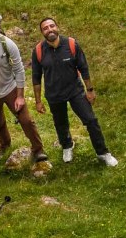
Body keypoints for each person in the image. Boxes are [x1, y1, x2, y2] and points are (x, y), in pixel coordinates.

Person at [31, 16, 116, 166]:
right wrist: (38, 101)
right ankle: (67, 146)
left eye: (52, 26)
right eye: (45, 28)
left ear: (57, 27)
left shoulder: (71, 44)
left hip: (75, 91)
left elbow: (83, 68)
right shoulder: (38, 50)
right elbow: (36, 78)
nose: (49, 29)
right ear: (42, 33)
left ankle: (103, 152)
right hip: (54, 94)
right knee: (60, 123)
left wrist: (90, 90)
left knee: (91, 120)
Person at [0, 11, 48, 168]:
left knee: (26, 120)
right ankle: (4, 146)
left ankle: (38, 149)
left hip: (10, 89)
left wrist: (20, 96)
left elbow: (19, 69)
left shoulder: (8, 44)